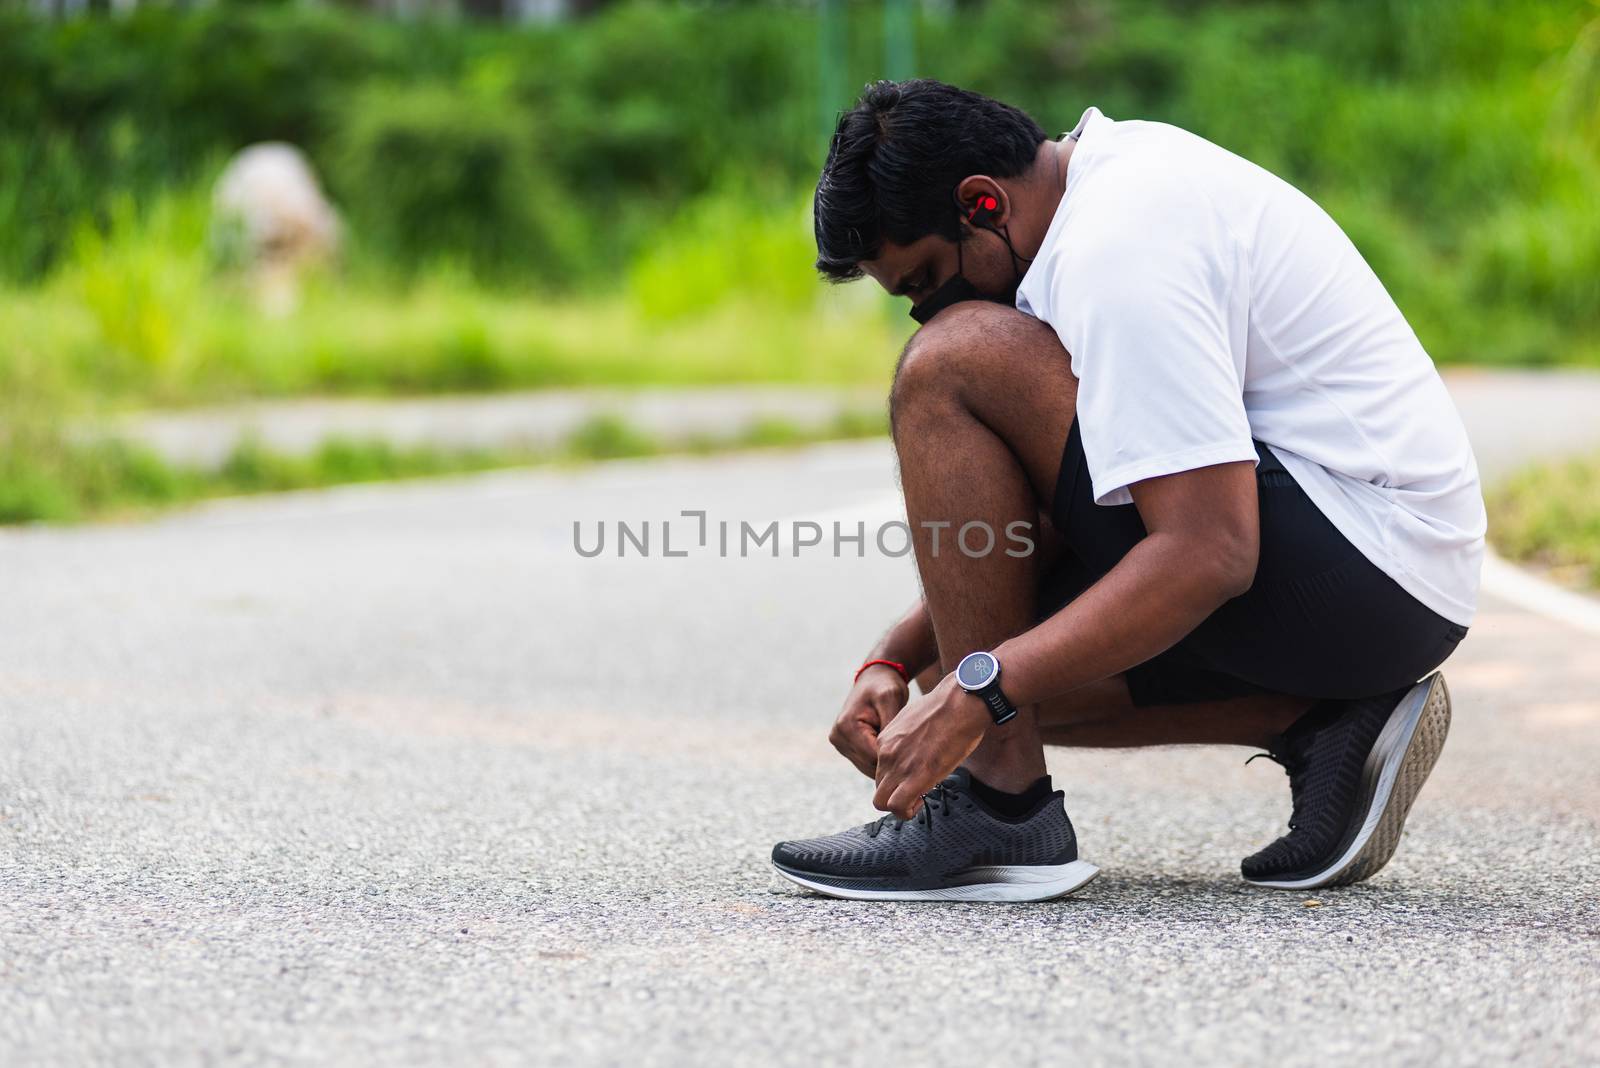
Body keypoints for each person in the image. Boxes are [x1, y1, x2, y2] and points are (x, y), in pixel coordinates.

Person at [770, 79, 1485, 902]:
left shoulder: (1117, 251)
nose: (928, 309)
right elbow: (1062, 520)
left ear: (982, 204)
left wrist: (983, 689)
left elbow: (1209, 550)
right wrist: (900, 656)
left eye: (926, 279)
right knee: (978, 667)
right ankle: (1318, 719)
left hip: (1368, 569)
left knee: (948, 366)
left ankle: (1000, 808)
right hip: (1384, 582)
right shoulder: (1101, 188)